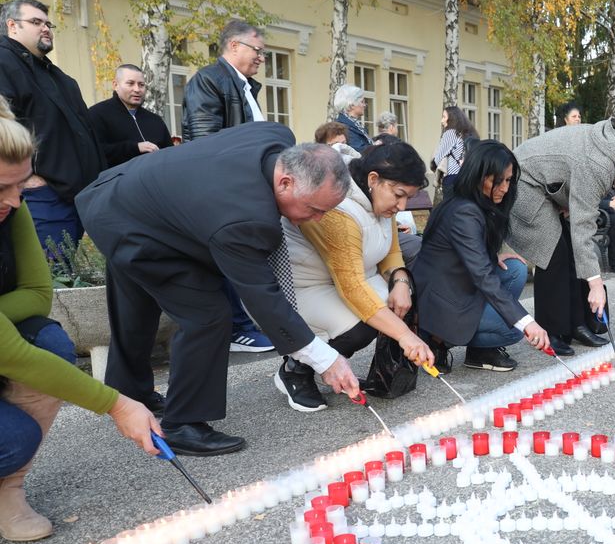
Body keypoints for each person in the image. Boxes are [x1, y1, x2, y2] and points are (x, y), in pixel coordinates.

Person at [76, 123, 360, 456]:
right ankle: (184, 425)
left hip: (123, 198)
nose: (316, 219)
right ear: (285, 181)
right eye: (314, 209)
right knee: (207, 315)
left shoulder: (274, 138)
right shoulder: (246, 219)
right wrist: (323, 359)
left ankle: (129, 394)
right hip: (131, 218)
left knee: (135, 300)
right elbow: (262, 296)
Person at [0, 96, 159, 542]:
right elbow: (11, 352)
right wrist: (117, 403)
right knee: (10, 438)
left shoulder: (11, 208)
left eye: (21, 183)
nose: (16, 201)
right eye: (1, 189)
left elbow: (37, 293)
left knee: (48, 343)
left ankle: (8, 489)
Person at [278, 141, 434, 411]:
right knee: (361, 323)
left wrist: (400, 280)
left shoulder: (379, 200)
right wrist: (406, 336)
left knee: (393, 303)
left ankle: (330, 364)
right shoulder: (339, 209)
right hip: (304, 286)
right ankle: (296, 369)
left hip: (347, 278)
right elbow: (351, 288)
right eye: (398, 195)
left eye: (408, 197)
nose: (402, 205)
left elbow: (391, 249)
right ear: (373, 179)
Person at [510, 119, 615, 356]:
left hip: (549, 183)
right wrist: (595, 285)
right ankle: (552, 330)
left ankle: (576, 324)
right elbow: (584, 226)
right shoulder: (599, 164)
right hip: (524, 180)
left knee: (574, 253)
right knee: (553, 252)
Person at [411, 140, 550, 372]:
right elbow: (482, 275)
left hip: (460, 284)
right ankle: (436, 340)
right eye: (497, 181)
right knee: (513, 328)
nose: (505, 188)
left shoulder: (476, 202)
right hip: (442, 300)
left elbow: (470, 252)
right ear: (478, 175)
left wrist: (491, 255)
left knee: (515, 270)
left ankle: (479, 352)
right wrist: (527, 322)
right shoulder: (463, 211)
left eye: (508, 180)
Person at [181, 19, 276, 354]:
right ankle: (238, 329)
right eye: (258, 50)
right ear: (234, 46)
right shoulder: (209, 80)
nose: (262, 58)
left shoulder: (245, 86)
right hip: (221, 188)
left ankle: (249, 324)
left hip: (243, 185)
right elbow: (207, 144)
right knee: (227, 256)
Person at [0, 0, 105, 251]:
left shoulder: (60, 77)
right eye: (36, 22)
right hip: (42, 195)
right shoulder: (4, 62)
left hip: (78, 196)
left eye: (48, 23)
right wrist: (27, 178)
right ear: (12, 26)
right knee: (52, 280)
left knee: (67, 279)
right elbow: (5, 125)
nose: (45, 28)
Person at [87, 64, 173, 167]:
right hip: (116, 181)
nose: (137, 89)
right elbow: (92, 153)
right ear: (115, 85)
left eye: (141, 85)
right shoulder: (97, 114)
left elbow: (169, 155)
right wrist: (135, 148)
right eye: (130, 83)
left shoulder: (155, 120)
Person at [431, 106, 478, 198]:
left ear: (452, 118)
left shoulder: (450, 133)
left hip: (453, 178)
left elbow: (438, 159)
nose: (442, 121)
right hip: (469, 178)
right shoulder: (469, 134)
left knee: (451, 209)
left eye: (444, 117)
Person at [331, 84, 373, 152]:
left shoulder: (353, 124)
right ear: (352, 105)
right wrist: (376, 147)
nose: (365, 105)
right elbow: (358, 151)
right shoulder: (343, 127)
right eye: (362, 102)